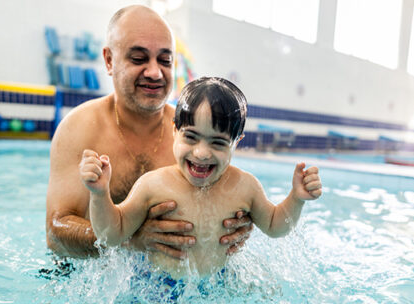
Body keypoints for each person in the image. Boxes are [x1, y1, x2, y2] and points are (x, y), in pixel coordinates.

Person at [45, 5, 252, 265]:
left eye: (164, 60)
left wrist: (237, 225)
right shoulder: (79, 128)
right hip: (90, 275)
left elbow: (227, 199)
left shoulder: (191, 135)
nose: (155, 72)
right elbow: (55, 234)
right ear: (109, 60)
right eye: (139, 58)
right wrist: (130, 240)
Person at [80, 77, 322, 279]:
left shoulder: (245, 186)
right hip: (158, 286)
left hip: (216, 284)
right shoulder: (153, 185)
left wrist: (296, 198)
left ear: (236, 142)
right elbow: (111, 235)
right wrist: (100, 194)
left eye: (217, 142)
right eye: (191, 137)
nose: (202, 153)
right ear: (175, 131)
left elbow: (275, 226)